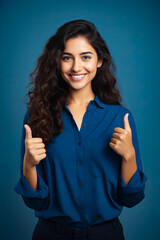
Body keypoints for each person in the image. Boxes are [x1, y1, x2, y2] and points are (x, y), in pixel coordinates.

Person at [14, 19, 147, 240]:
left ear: (100, 61)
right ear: (58, 62)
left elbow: (131, 199)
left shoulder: (119, 118)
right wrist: (29, 165)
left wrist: (129, 156)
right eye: (67, 58)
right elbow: (33, 201)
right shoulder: (37, 117)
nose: (76, 67)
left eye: (86, 57)